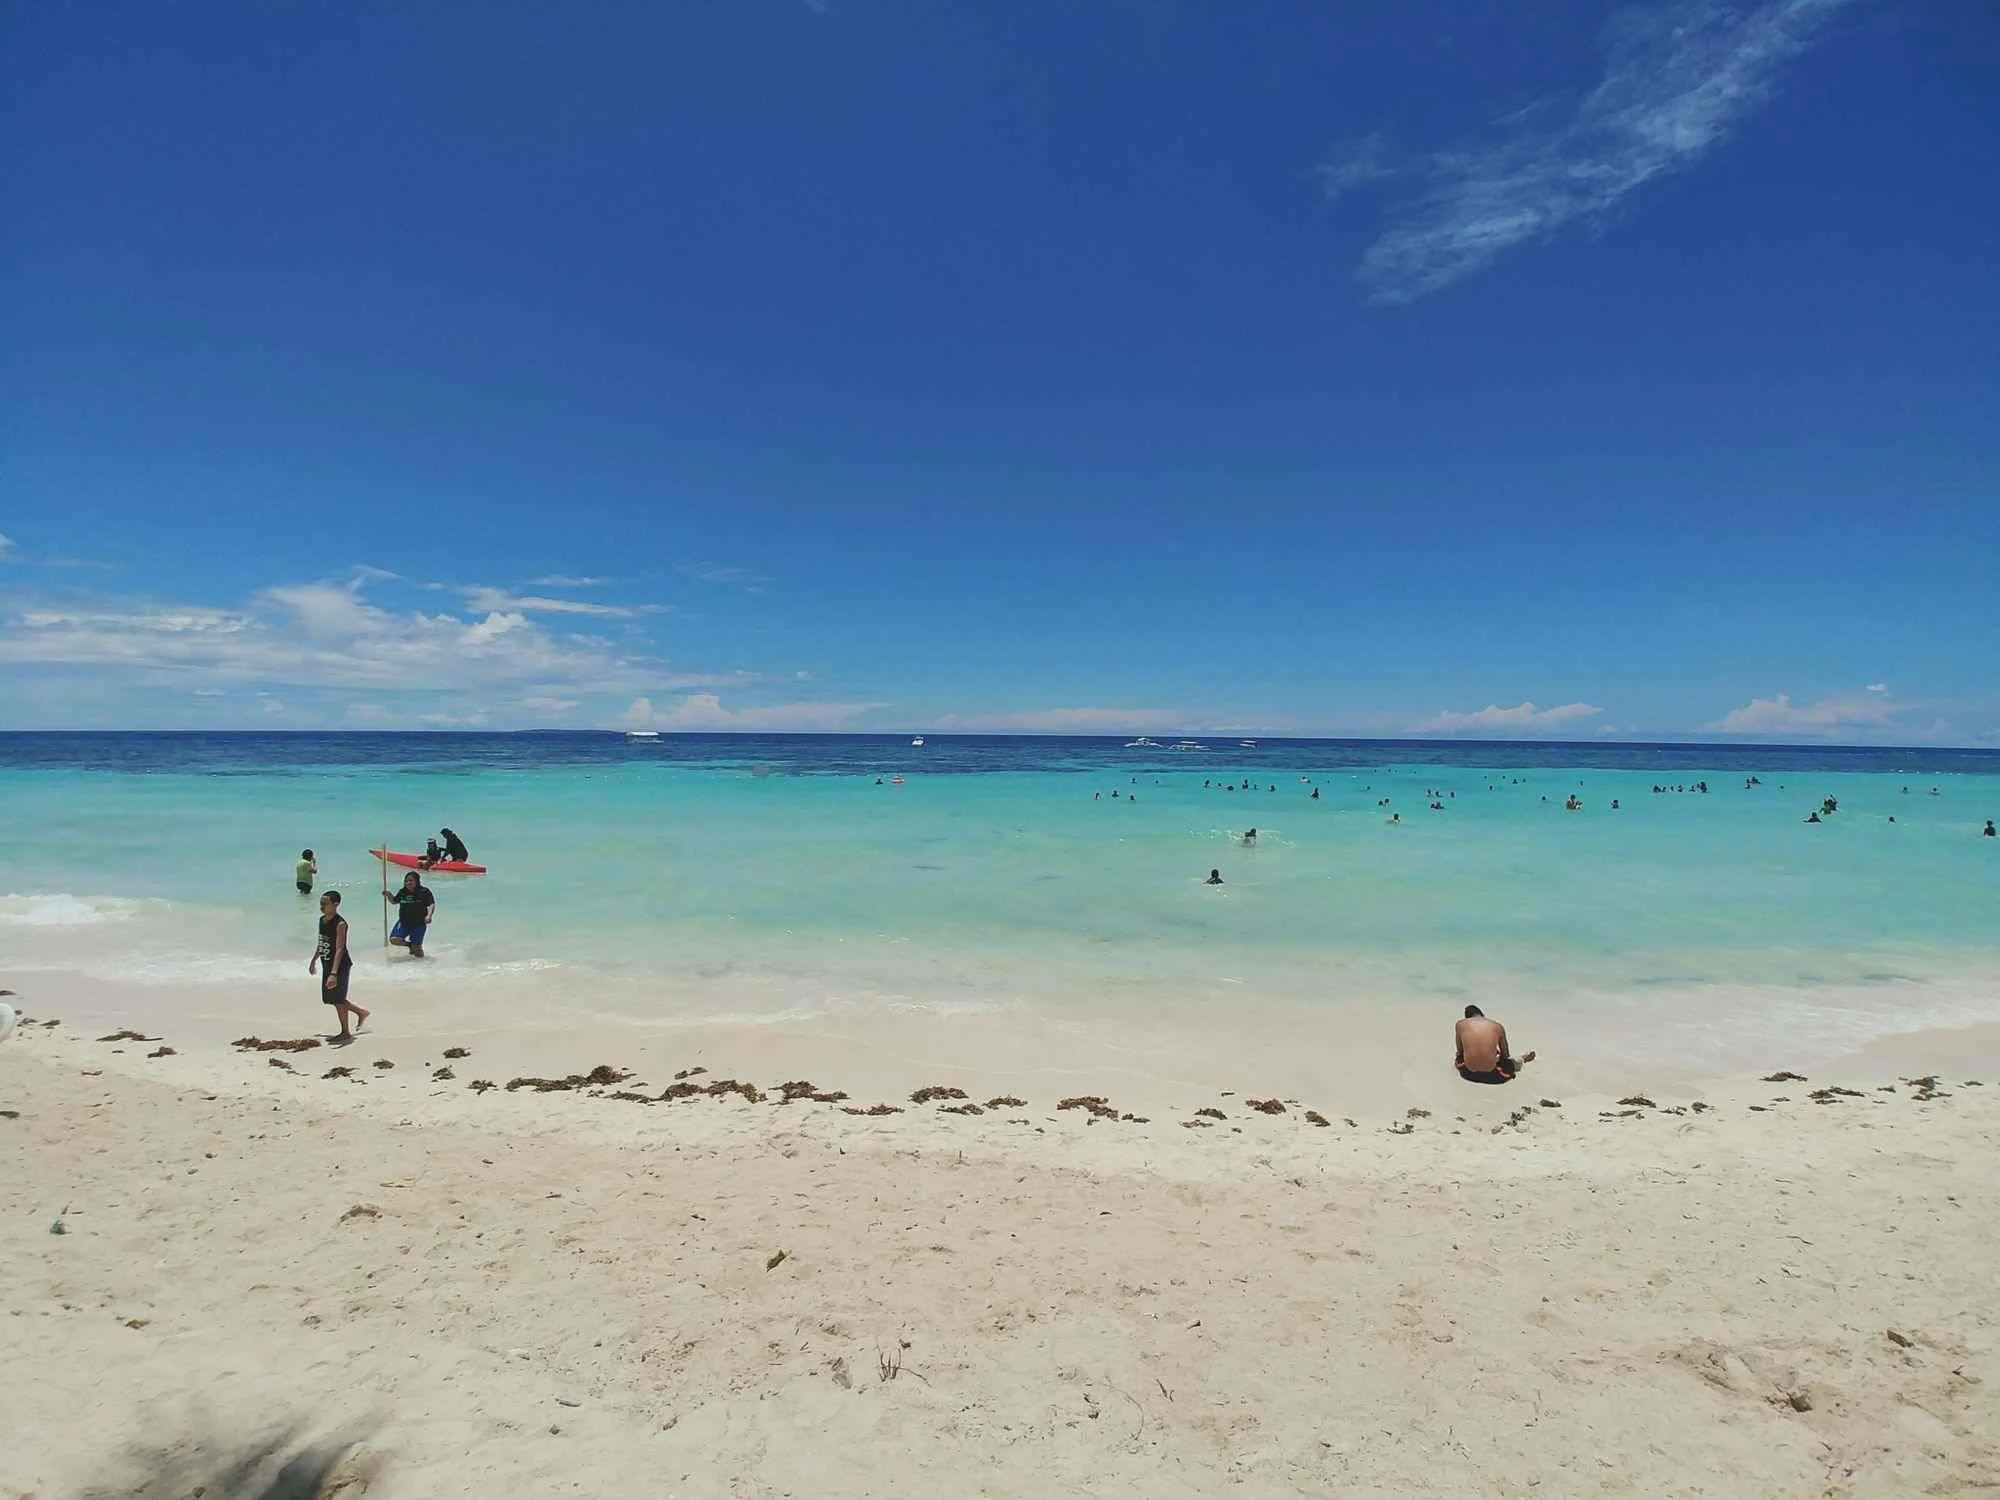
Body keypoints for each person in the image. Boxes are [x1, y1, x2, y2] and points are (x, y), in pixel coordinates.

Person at [309, 891, 368, 1042]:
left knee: (338, 999)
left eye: (325, 903)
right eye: (321, 903)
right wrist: (314, 959)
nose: (322, 906)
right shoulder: (322, 920)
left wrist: (334, 973)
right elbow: (321, 941)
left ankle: (345, 1032)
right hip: (327, 963)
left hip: (340, 965)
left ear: (335, 905)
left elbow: (340, 948)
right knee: (331, 998)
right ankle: (361, 1012)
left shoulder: (340, 924)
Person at [1454, 1004, 1534, 1084]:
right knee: (1509, 1063)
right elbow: (1505, 1055)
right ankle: (1522, 1059)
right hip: (1497, 1077)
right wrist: (1495, 1055)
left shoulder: (1460, 1025)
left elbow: (1460, 1052)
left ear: (1467, 1018)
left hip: (1467, 1074)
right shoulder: (1498, 1026)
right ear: (1483, 1015)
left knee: (1458, 1057)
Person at [385, 870, 435, 958]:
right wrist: (388, 895)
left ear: (416, 881)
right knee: (394, 940)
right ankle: (410, 945)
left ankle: (422, 967)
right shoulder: (402, 891)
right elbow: (394, 901)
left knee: (418, 952)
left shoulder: (424, 891)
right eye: (406, 881)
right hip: (404, 922)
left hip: (419, 924)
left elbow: (431, 904)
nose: (408, 883)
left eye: (410, 881)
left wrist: (429, 916)